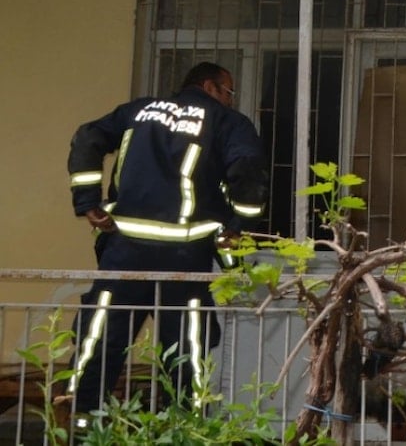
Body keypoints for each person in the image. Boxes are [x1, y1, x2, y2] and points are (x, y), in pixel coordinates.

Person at [65, 62, 268, 426]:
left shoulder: (138, 110)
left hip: (124, 253)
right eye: (229, 92)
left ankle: (81, 426)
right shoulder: (226, 122)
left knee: (101, 339)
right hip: (185, 257)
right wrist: (239, 225)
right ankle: (186, 429)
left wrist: (88, 203)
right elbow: (247, 169)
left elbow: (86, 138)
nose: (229, 100)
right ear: (211, 86)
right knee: (187, 348)